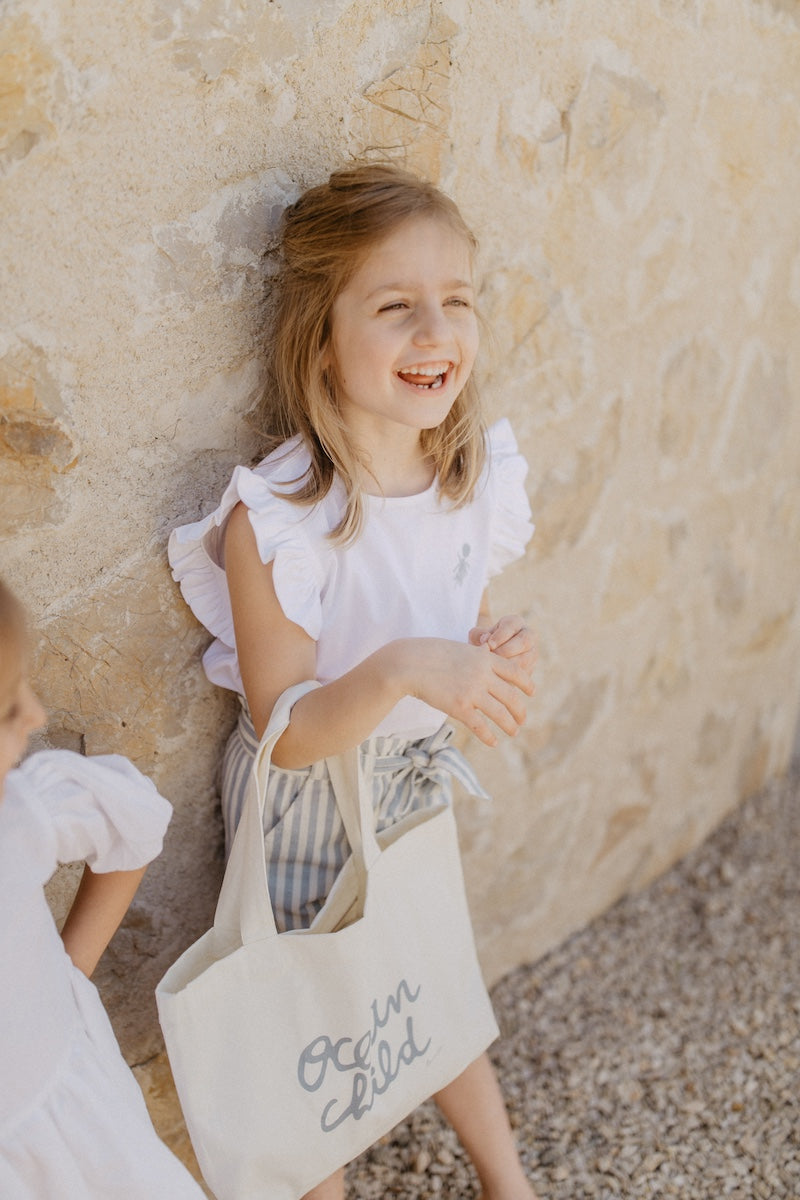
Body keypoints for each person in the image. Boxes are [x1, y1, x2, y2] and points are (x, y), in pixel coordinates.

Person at [169, 162, 540, 1200]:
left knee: (430, 974)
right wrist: (410, 665)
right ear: (320, 338)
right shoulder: (279, 521)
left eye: (454, 301)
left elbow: (434, 614)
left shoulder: (466, 477)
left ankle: (507, 1183)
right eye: (394, 307)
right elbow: (283, 732)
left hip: (410, 777)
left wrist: (483, 643)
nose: (435, 332)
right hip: (307, 809)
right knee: (312, 1022)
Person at [0, 578, 205, 1199]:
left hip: (77, 1130)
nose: (37, 714)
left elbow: (130, 818)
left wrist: (68, 969)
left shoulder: (17, 818)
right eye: (9, 706)